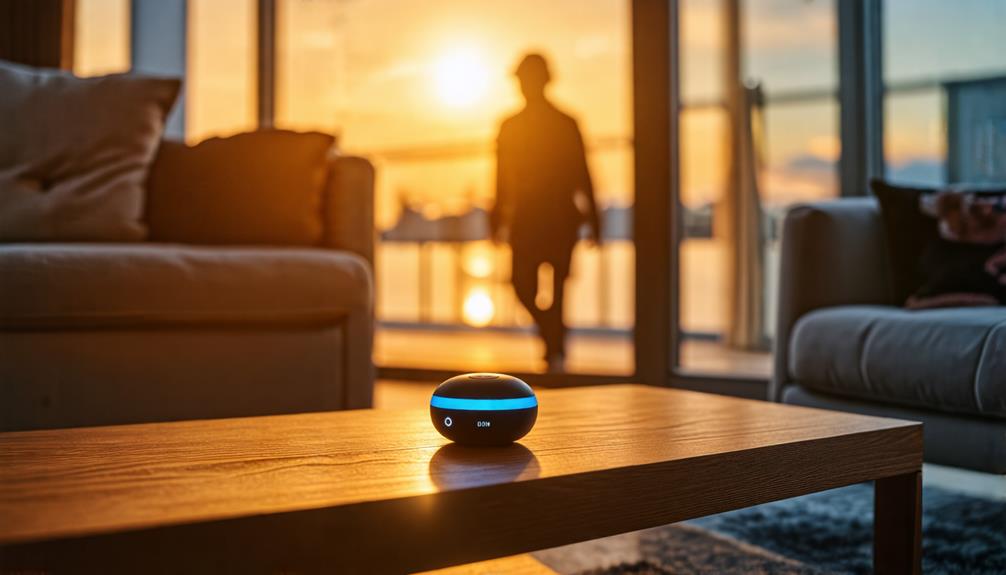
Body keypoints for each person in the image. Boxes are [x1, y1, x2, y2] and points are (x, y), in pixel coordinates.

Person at [491, 53, 602, 373]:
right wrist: (497, 216)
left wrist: (594, 217)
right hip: (529, 217)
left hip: (558, 216)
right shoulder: (510, 126)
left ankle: (555, 346)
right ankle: (554, 336)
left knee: (558, 287)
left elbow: (583, 172)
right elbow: (500, 176)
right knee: (521, 284)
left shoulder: (566, 123)